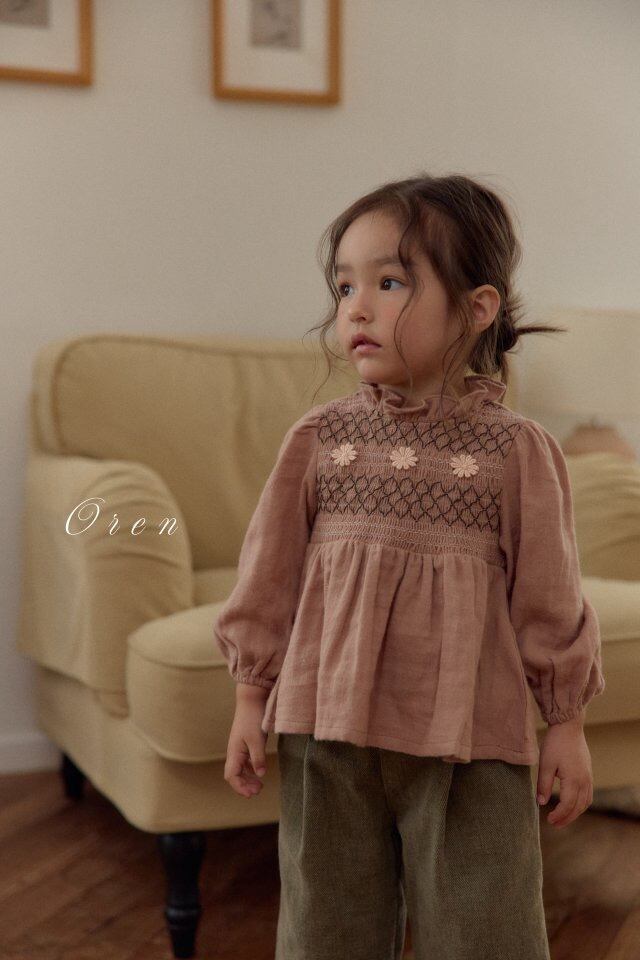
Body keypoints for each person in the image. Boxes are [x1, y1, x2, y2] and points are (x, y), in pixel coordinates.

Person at [213, 173, 606, 960]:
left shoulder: (516, 451)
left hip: (471, 741)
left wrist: (566, 723)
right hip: (325, 733)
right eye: (344, 286)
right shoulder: (320, 439)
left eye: (389, 283)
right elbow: (267, 580)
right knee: (324, 932)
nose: (356, 308)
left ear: (477, 307)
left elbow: (549, 600)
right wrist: (250, 699)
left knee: (486, 931)